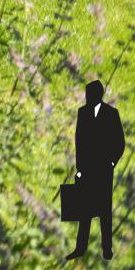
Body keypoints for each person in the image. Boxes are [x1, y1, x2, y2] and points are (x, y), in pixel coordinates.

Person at [72, 79, 124, 262]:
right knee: (84, 210)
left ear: (98, 95)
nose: (87, 98)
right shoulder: (83, 112)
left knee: (104, 211)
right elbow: (79, 142)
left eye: (89, 94)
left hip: (103, 171)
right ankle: (80, 248)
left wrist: (111, 163)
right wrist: (79, 169)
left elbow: (120, 142)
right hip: (87, 170)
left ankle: (107, 250)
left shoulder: (111, 114)